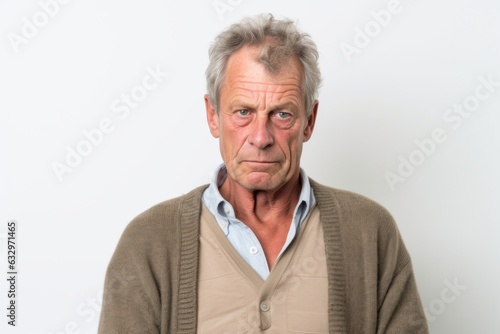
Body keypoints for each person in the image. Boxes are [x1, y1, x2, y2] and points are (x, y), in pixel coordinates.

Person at [98, 14, 428, 334]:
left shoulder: (369, 232)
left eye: (282, 114)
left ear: (309, 121)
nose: (261, 137)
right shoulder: (149, 241)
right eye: (243, 112)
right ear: (213, 116)